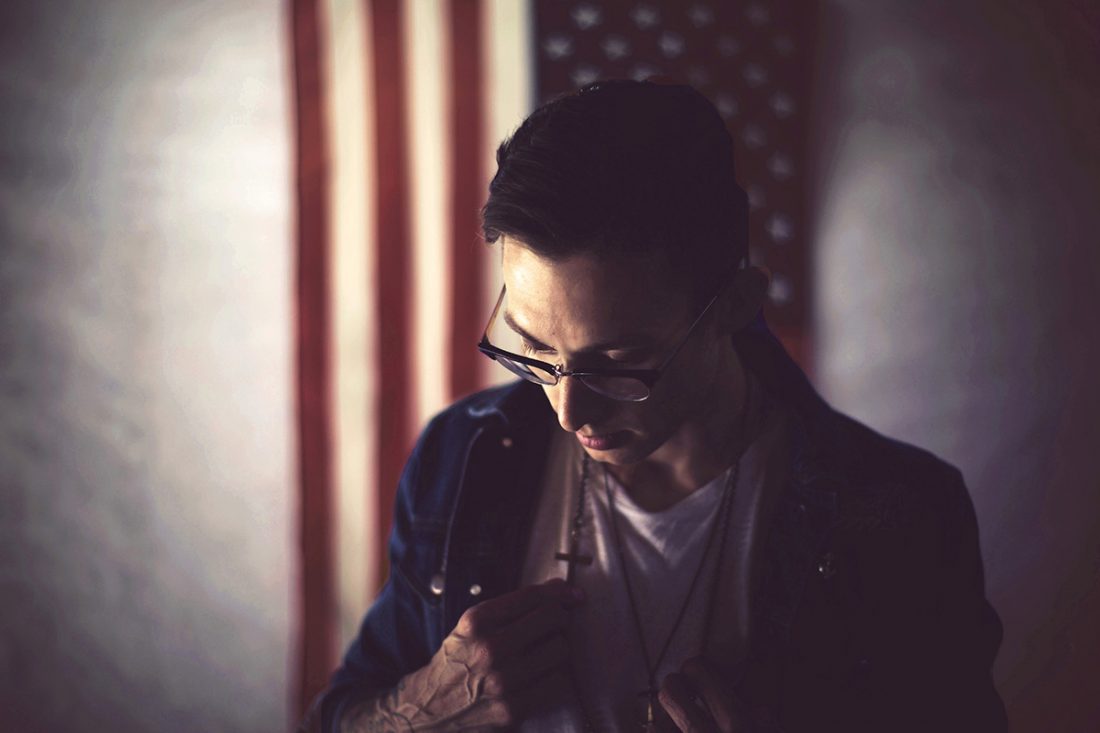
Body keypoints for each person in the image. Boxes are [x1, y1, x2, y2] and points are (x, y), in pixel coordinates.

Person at [303, 79, 1008, 732]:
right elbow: (337, 714)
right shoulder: (462, 458)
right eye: (533, 347)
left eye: (620, 364)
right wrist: (423, 705)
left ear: (735, 305)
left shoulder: (898, 514)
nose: (567, 407)